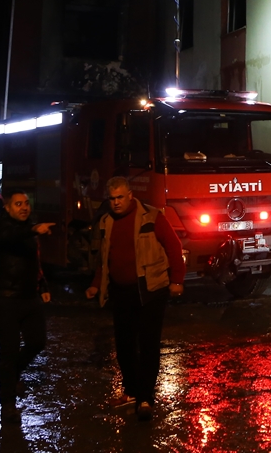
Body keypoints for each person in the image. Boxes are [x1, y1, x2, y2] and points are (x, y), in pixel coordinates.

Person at [86, 176, 185, 421]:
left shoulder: (152, 217)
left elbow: (173, 246)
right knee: (124, 345)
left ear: (130, 195)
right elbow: (103, 257)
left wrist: (177, 280)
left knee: (148, 344)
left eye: (120, 197)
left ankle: (145, 398)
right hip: (121, 291)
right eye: (112, 198)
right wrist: (97, 284)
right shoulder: (106, 221)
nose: (116, 202)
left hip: (151, 289)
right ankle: (131, 391)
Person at [0, 186, 54, 424]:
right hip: (4, 299)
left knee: (37, 342)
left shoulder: (28, 230)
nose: (24, 207)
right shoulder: (0, 226)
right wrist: (33, 229)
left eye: (26, 203)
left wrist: (43, 285)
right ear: (7, 207)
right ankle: (8, 406)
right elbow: (9, 236)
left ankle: (12, 374)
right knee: (10, 350)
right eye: (18, 204)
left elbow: (34, 261)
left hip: (29, 298)